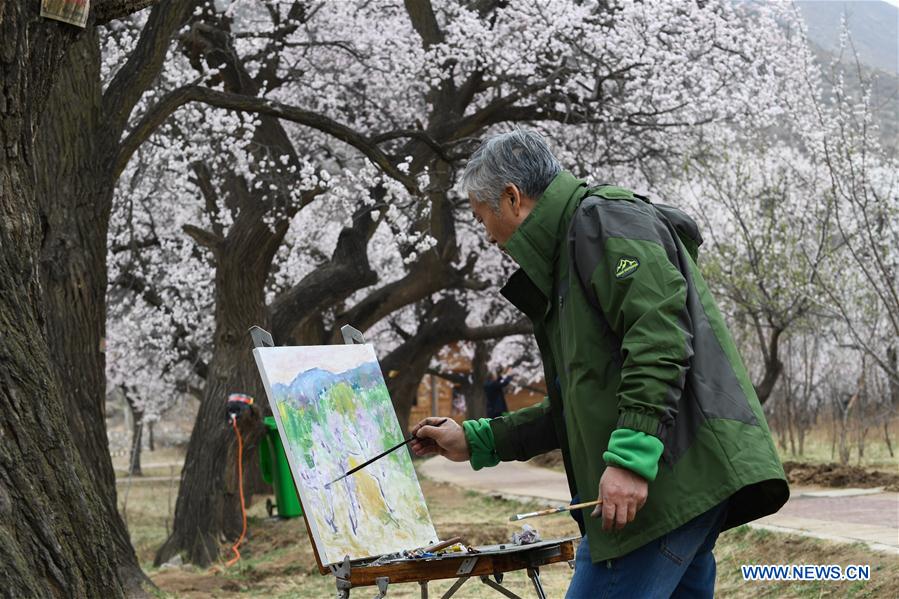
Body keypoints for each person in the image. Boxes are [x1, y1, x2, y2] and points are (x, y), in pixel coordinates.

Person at [410, 130, 789, 598]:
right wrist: (477, 439)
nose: (487, 235)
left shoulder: (602, 221)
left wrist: (631, 463)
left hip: (661, 485)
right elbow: (577, 408)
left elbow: (660, 341)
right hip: (676, 484)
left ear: (511, 198)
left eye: (482, 217)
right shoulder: (566, 259)